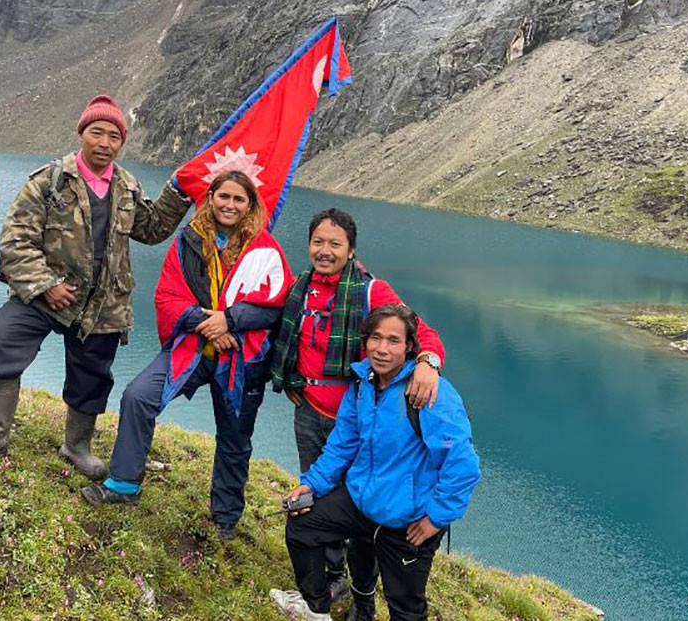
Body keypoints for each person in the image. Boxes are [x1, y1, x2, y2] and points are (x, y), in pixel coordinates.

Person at [0, 94, 191, 478]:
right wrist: (46, 285)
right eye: (97, 133)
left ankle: (77, 447)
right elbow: (16, 240)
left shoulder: (126, 185)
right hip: (46, 296)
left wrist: (179, 192)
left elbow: (151, 229)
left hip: (104, 304)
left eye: (114, 136)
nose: (105, 143)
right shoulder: (49, 180)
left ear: (121, 143)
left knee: (92, 374)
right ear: (82, 134)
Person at [81, 170, 291, 541]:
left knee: (234, 438)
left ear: (250, 205)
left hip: (242, 356)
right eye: (223, 196)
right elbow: (168, 297)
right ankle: (124, 484)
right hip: (193, 346)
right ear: (210, 198)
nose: (229, 205)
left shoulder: (265, 249)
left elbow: (276, 307)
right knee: (139, 396)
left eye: (238, 199)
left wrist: (230, 321)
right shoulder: (189, 241)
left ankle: (225, 518)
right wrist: (207, 324)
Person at [267, 208, 446, 606]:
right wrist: (293, 378)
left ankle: (363, 587)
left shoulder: (370, 291)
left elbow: (419, 331)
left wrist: (428, 362)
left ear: (351, 250)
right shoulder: (300, 288)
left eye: (335, 244)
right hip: (310, 411)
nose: (324, 251)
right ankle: (334, 576)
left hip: (357, 421)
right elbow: (287, 336)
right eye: (318, 242)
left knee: (363, 507)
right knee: (319, 497)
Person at [270, 304, 480, 621]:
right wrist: (311, 484)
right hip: (362, 500)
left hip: (408, 518)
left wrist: (436, 519)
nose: (382, 349)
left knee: (405, 606)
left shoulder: (429, 393)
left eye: (393, 340)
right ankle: (317, 609)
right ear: (365, 340)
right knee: (303, 527)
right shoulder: (362, 384)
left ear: (409, 347)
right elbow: (343, 444)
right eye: (375, 338)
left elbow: (463, 465)